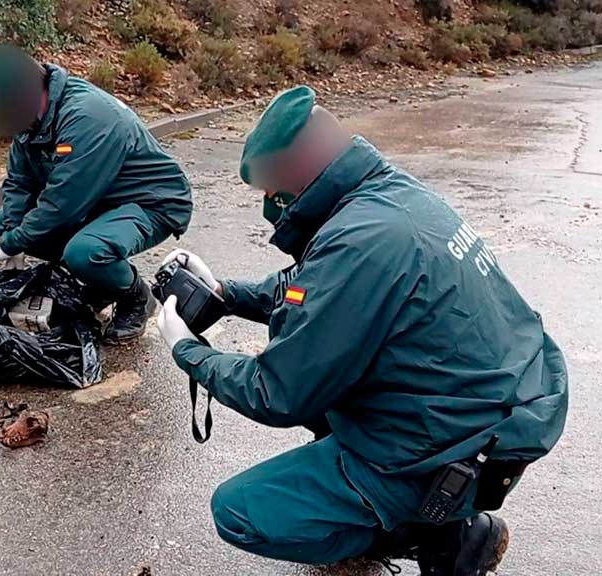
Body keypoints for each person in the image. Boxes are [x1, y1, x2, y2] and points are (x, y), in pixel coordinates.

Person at [155, 86, 569, 575]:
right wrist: (227, 293)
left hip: (457, 451)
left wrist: (189, 351)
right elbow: (317, 294)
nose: (270, 203)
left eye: (269, 188)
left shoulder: (360, 240)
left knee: (240, 510)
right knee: (334, 386)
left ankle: (435, 533)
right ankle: (425, 513)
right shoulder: (387, 197)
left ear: (297, 172)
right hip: (497, 411)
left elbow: (278, 392)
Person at [0, 45, 193, 342]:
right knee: (6, 222)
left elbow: (63, 203)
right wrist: (10, 233)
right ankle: (101, 286)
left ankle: (136, 298)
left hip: (152, 202)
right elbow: (19, 182)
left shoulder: (88, 116)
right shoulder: (31, 121)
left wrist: (11, 244)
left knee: (85, 252)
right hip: (98, 202)